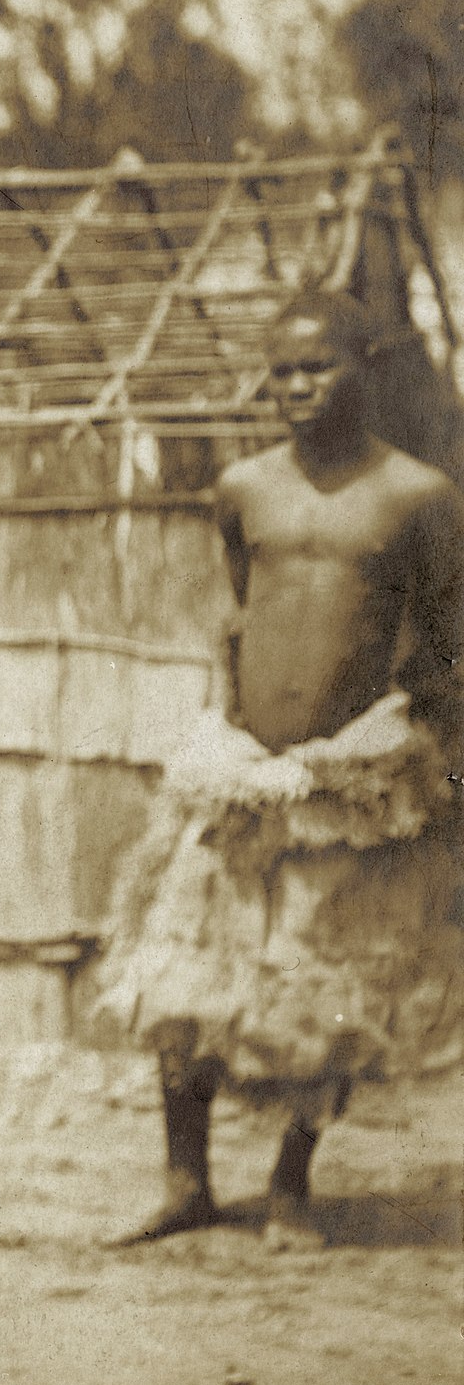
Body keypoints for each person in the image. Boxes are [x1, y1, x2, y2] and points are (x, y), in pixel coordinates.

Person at [97, 288, 464, 1252]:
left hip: (342, 781)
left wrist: (392, 745)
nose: (296, 387)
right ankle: (185, 1183)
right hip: (237, 766)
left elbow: (445, 645)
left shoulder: (415, 496)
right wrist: (235, 726)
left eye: (317, 366)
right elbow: (239, 609)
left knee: (319, 984)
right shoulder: (243, 487)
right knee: (181, 969)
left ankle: (289, 1186)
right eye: (281, 370)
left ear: (365, 366)